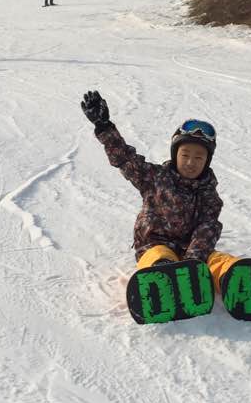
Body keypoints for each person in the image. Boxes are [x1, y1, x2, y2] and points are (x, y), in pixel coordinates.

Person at [80, 90, 242, 292]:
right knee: (159, 257)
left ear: (207, 161)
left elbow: (207, 228)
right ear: (175, 155)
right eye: (185, 155)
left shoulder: (208, 194)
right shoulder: (155, 177)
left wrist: (193, 261)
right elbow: (124, 158)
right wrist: (104, 127)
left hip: (192, 251)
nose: (190, 162)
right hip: (154, 245)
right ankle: (161, 279)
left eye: (199, 157)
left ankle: (237, 277)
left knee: (216, 259)